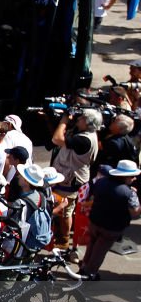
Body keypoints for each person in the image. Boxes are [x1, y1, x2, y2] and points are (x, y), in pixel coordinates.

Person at [51, 108, 101, 257]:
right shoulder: (87, 134)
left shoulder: (84, 139)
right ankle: (63, 240)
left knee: (65, 211)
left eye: (81, 118)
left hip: (70, 182)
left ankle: (63, 242)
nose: (78, 120)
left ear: (88, 122)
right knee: (65, 210)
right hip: (71, 178)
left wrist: (64, 120)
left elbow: (56, 139)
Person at [79, 160, 141, 279]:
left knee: (91, 245)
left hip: (94, 221)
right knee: (99, 252)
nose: (134, 179)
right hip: (111, 228)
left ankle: (83, 267)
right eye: (132, 176)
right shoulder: (129, 193)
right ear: (125, 176)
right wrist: (135, 196)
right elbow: (135, 211)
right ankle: (89, 274)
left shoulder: (101, 182)